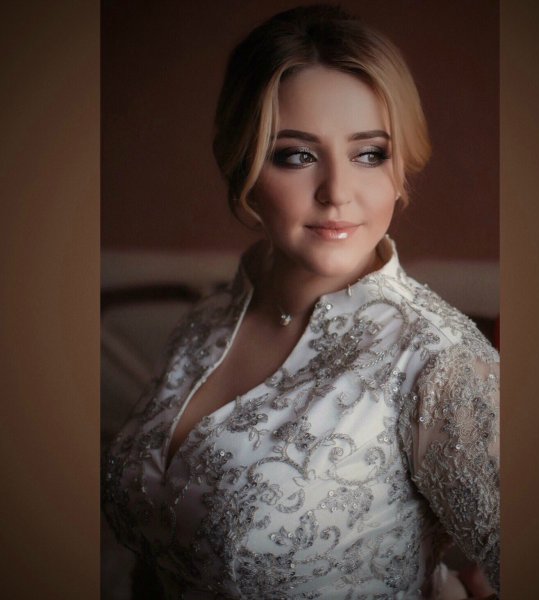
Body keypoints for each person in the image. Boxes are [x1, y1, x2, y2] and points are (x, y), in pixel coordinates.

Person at [102, 5, 499, 599]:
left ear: (399, 169)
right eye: (297, 155)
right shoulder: (206, 320)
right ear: (243, 163)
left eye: (369, 153)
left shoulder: (439, 361)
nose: (337, 192)